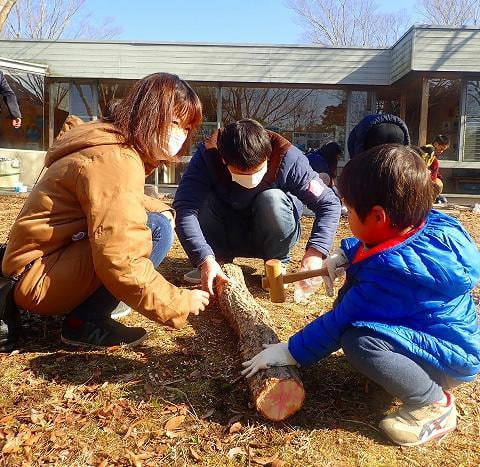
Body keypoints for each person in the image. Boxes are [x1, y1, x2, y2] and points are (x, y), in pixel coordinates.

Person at [241, 144, 480, 447]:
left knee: (359, 341)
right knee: (359, 325)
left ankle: (433, 404)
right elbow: (378, 246)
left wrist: (289, 351)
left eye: (350, 210)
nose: (346, 215)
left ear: (379, 216)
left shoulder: (390, 278)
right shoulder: (424, 223)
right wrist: (344, 254)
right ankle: (409, 377)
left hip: (446, 362)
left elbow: (339, 322)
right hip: (444, 342)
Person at [1, 73, 210, 352]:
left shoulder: (105, 143)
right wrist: (178, 301)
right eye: (174, 122)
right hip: (38, 279)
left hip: (29, 267)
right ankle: (86, 321)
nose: (179, 135)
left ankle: (87, 311)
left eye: (185, 127)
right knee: (156, 229)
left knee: (157, 219)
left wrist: (163, 208)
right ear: (148, 113)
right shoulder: (115, 159)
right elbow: (120, 257)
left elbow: (117, 200)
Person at [173, 118, 341, 294]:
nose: (251, 179)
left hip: (273, 234)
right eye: (240, 173)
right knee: (202, 199)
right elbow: (184, 207)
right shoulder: (208, 155)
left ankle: (277, 263)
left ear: (267, 156)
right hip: (226, 231)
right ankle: (215, 261)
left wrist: (315, 253)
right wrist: (202, 256)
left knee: (272, 199)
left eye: (257, 169)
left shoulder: (288, 157)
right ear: (223, 159)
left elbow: (328, 203)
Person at [421, 134, 450, 204]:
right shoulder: (429, 150)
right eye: (441, 149)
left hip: (423, 175)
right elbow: (421, 163)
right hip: (420, 175)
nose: (441, 151)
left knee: (438, 183)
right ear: (436, 144)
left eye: (443, 150)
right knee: (438, 185)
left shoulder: (433, 155)